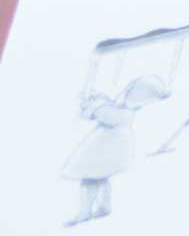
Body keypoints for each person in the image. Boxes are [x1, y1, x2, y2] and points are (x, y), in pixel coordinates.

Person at [63, 76, 169, 224]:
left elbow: (102, 113)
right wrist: (97, 99)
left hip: (102, 153)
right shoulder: (124, 111)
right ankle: (104, 206)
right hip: (105, 153)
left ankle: (86, 211)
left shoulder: (123, 114)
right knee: (101, 179)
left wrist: (91, 103)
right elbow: (106, 108)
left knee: (89, 180)